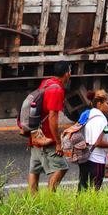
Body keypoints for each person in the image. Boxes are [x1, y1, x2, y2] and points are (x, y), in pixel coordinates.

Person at [28, 61, 71, 194]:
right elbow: (52, 117)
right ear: (67, 73)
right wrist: (58, 142)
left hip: (35, 133)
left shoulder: (46, 83)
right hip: (46, 137)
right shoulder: (57, 89)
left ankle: (32, 202)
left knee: (34, 170)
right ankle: (49, 198)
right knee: (62, 167)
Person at [79, 89, 108, 191]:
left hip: (84, 158)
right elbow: (98, 142)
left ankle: (78, 207)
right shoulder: (101, 119)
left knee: (82, 189)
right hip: (97, 160)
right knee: (94, 191)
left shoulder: (87, 115)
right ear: (99, 104)